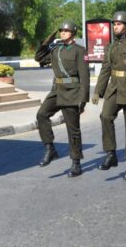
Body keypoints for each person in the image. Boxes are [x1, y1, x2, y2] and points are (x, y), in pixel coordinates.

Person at [91, 11, 126, 179]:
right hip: (114, 87)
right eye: (114, 24)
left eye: (118, 24)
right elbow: (105, 70)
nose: (115, 26)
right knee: (105, 116)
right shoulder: (111, 46)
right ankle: (111, 154)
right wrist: (97, 91)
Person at [34, 20, 89, 177]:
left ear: (72, 33)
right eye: (60, 31)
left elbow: (84, 76)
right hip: (56, 91)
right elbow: (38, 57)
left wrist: (82, 99)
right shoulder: (55, 49)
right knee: (41, 115)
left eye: (65, 31)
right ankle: (50, 148)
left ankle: (76, 162)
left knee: (73, 129)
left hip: (72, 92)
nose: (62, 33)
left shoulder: (79, 51)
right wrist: (47, 42)